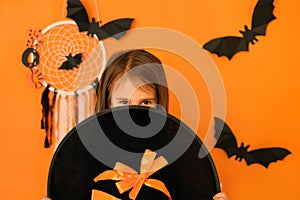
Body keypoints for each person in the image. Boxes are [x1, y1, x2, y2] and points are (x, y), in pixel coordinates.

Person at [43, 49, 228, 200]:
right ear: (107, 102)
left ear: (159, 103)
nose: (133, 114)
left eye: (146, 102)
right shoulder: (82, 156)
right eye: (123, 103)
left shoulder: (179, 158)